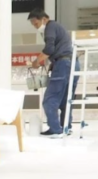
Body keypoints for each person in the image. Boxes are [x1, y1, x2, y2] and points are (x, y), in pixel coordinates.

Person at [29, 8, 80, 138]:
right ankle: (65, 127)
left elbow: (49, 49)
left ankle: (56, 129)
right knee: (65, 99)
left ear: (44, 19)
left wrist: (36, 61)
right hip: (73, 64)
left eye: (36, 23)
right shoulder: (58, 27)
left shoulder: (50, 27)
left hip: (63, 64)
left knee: (49, 99)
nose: (35, 27)